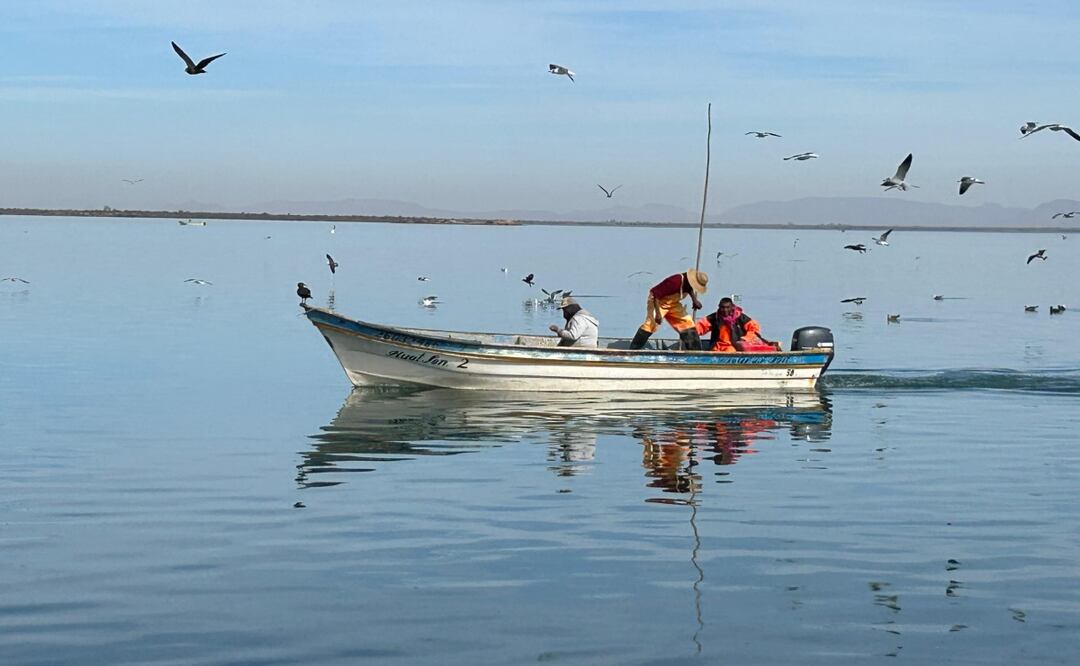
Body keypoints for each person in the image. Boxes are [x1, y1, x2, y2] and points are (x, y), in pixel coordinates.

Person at [629, 269, 708, 350]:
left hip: (673, 304)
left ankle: (695, 351)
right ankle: (633, 350)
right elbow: (656, 294)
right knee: (651, 324)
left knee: (687, 322)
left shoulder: (688, 283)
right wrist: (658, 314)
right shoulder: (675, 281)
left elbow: (689, 288)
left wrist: (694, 300)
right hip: (658, 302)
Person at [694, 297, 781, 352]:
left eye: (727, 307)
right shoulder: (714, 318)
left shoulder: (740, 318)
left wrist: (745, 339)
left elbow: (754, 328)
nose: (725, 310)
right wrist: (690, 332)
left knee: (730, 352)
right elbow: (700, 327)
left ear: (732, 307)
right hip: (717, 347)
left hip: (733, 347)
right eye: (722, 308)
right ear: (719, 307)